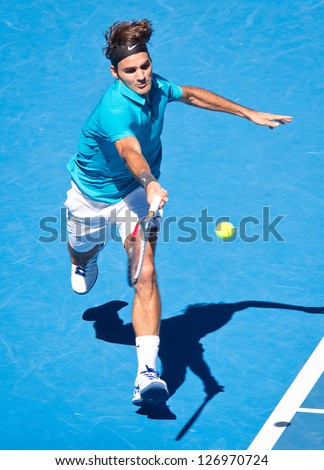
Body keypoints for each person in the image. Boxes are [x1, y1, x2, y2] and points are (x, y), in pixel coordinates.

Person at [64, 19, 292, 407]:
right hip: (92, 196)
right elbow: (129, 151)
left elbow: (190, 95)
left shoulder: (155, 86)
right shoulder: (114, 111)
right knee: (81, 253)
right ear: (114, 72)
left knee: (147, 273)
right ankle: (89, 266)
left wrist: (247, 113)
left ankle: (147, 374)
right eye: (130, 70)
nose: (141, 76)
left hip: (136, 195)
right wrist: (150, 179)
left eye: (145, 66)